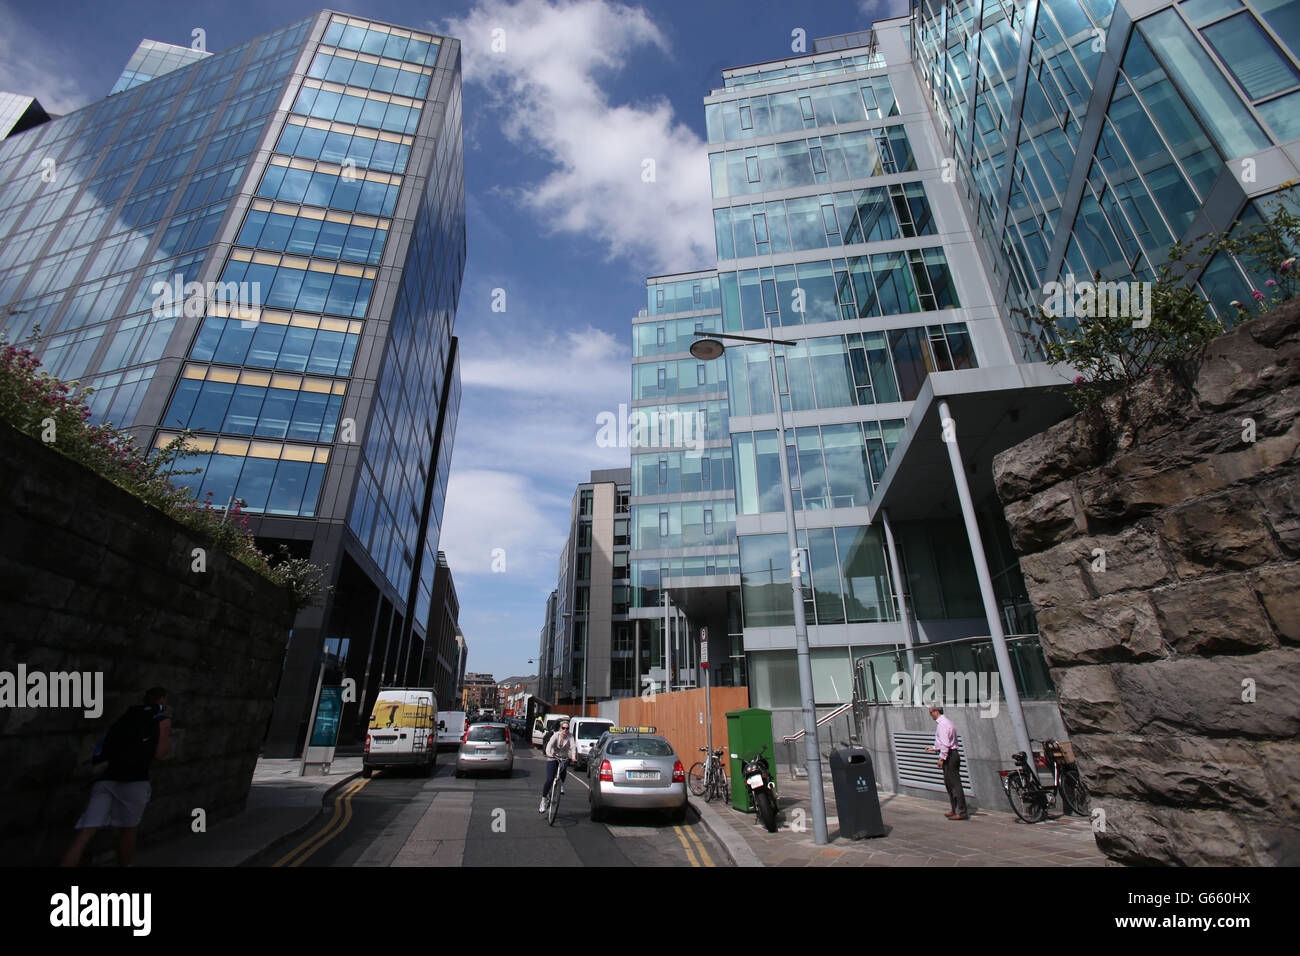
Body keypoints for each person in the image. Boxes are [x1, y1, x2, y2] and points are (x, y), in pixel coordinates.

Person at [62, 687, 172, 866]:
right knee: (128, 831)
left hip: (108, 777)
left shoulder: (127, 716)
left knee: (85, 833)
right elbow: (159, 754)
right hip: (135, 781)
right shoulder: (161, 721)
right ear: (161, 700)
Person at [926, 705, 968, 820]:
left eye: (931, 713)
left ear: (936, 712)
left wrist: (941, 758)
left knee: (954, 784)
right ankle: (955, 809)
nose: (930, 715)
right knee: (950, 784)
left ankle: (961, 811)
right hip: (952, 754)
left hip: (950, 756)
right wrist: (934, 748)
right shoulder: (947, 722)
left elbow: (946, 744)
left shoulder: (943, 725)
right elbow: (944, 742)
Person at [539, 720, 575, 813]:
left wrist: (574, 757)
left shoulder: (570, 736)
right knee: (550, 779)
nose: (565, 730)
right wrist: (548, 753)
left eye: (567, 728)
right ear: (560, 728)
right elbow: (549, 745)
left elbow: (573, 747)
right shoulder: (556, 735)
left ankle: (561, 784)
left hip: (563, 757)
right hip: (553, 757)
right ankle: (543, 800)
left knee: (564, 765)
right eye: (563, 728)